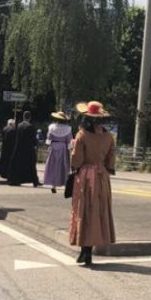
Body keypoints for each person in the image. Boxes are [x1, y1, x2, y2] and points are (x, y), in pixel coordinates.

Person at [68, 101, 116, 267]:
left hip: (85, 176)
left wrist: (74, 167)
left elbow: (76, 159)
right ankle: (90, 250)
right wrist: (106, 167)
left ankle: (85, 251)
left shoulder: (82, 135)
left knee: (83, 211)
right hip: (102, 177)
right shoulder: (108, 136)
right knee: (98, 212)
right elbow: (111, 160)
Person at [43, 111, 73, 193]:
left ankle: (53, 185)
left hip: (54, 147)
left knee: (53, 166)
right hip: (63, 148)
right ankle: (64, 183)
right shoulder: (68, 128)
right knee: (63, 166)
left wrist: (48, 147)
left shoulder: (52, 127)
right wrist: (70, 150)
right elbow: (69, 141)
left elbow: (48, 139)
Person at [8, 110, 41, 187]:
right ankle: (35, 181)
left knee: (18, 165)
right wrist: (35, 145)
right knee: (32, 165)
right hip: (28, 149)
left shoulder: (19, 125)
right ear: (30, 117)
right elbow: (33, 139)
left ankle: (17, 180)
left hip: (19, 149)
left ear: (23, 117)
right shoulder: (31, 126)